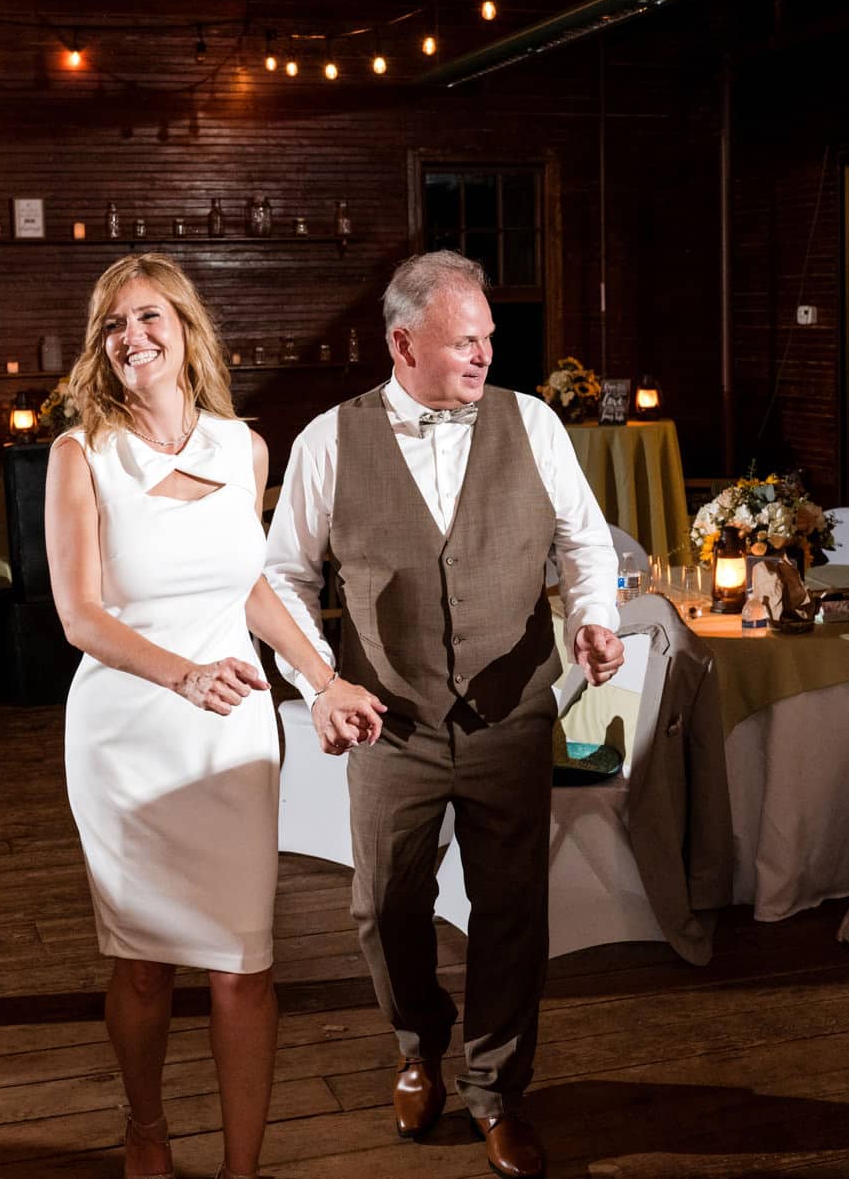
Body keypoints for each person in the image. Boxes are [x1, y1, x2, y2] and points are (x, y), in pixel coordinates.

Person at [263, 250, 625, 1179]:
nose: (483, 356)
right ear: (402, 342)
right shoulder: (328, 442)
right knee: (384, 905)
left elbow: (586, 542)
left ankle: (499, 1088)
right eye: (465, 341)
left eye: (489, 338)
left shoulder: (533, 425)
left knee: (511, 910)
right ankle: (418, 1045)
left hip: (512, 715)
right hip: (392, 719)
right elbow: (282, 580)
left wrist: (593, 619)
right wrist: (322, 685)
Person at [44, 254, 385, 1179]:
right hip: (127, 736)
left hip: (234, 732)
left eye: (149, 317)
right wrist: (184, 675)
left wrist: (322, 681)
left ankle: (243, 1169)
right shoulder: (81, 455)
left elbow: (258, 591)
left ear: (188, 330)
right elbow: (80, 616)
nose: (131, 338)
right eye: (113, 324)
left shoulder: (243, 448)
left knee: (244, 964)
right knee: (145, 964)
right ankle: (146, 1129)